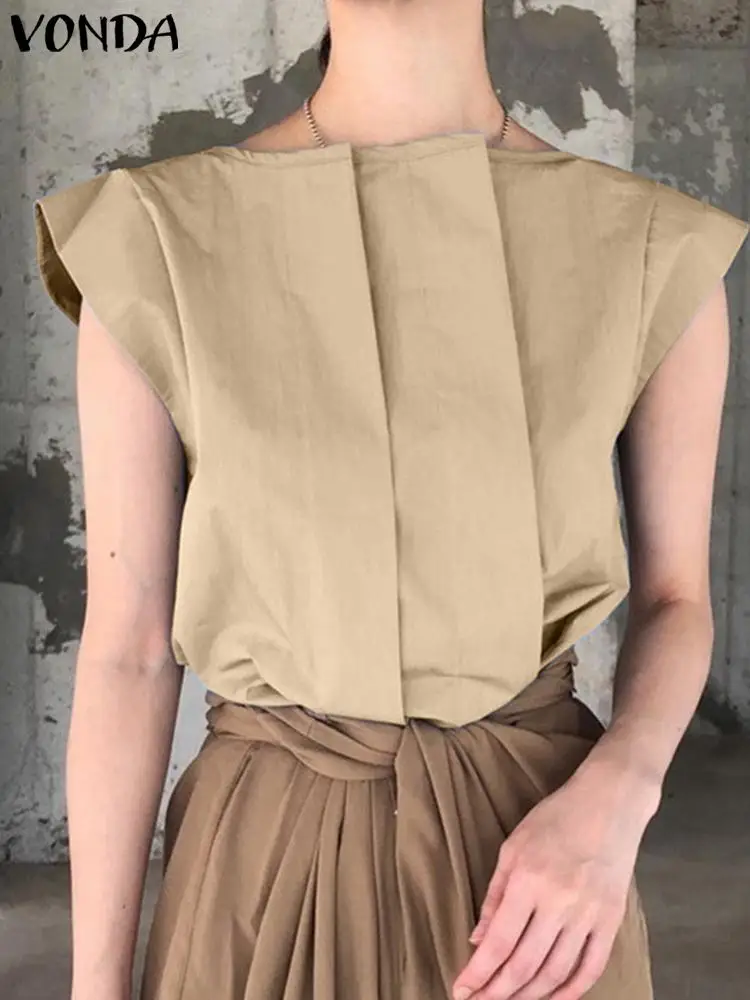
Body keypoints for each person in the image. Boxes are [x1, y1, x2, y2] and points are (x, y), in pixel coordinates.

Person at [32, 1, 749, 999]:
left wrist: (621, 793)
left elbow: (677, 599)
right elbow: (129, 650)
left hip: (540, 873)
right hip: (257, 875)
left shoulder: (649, 247)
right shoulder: (154, 238)